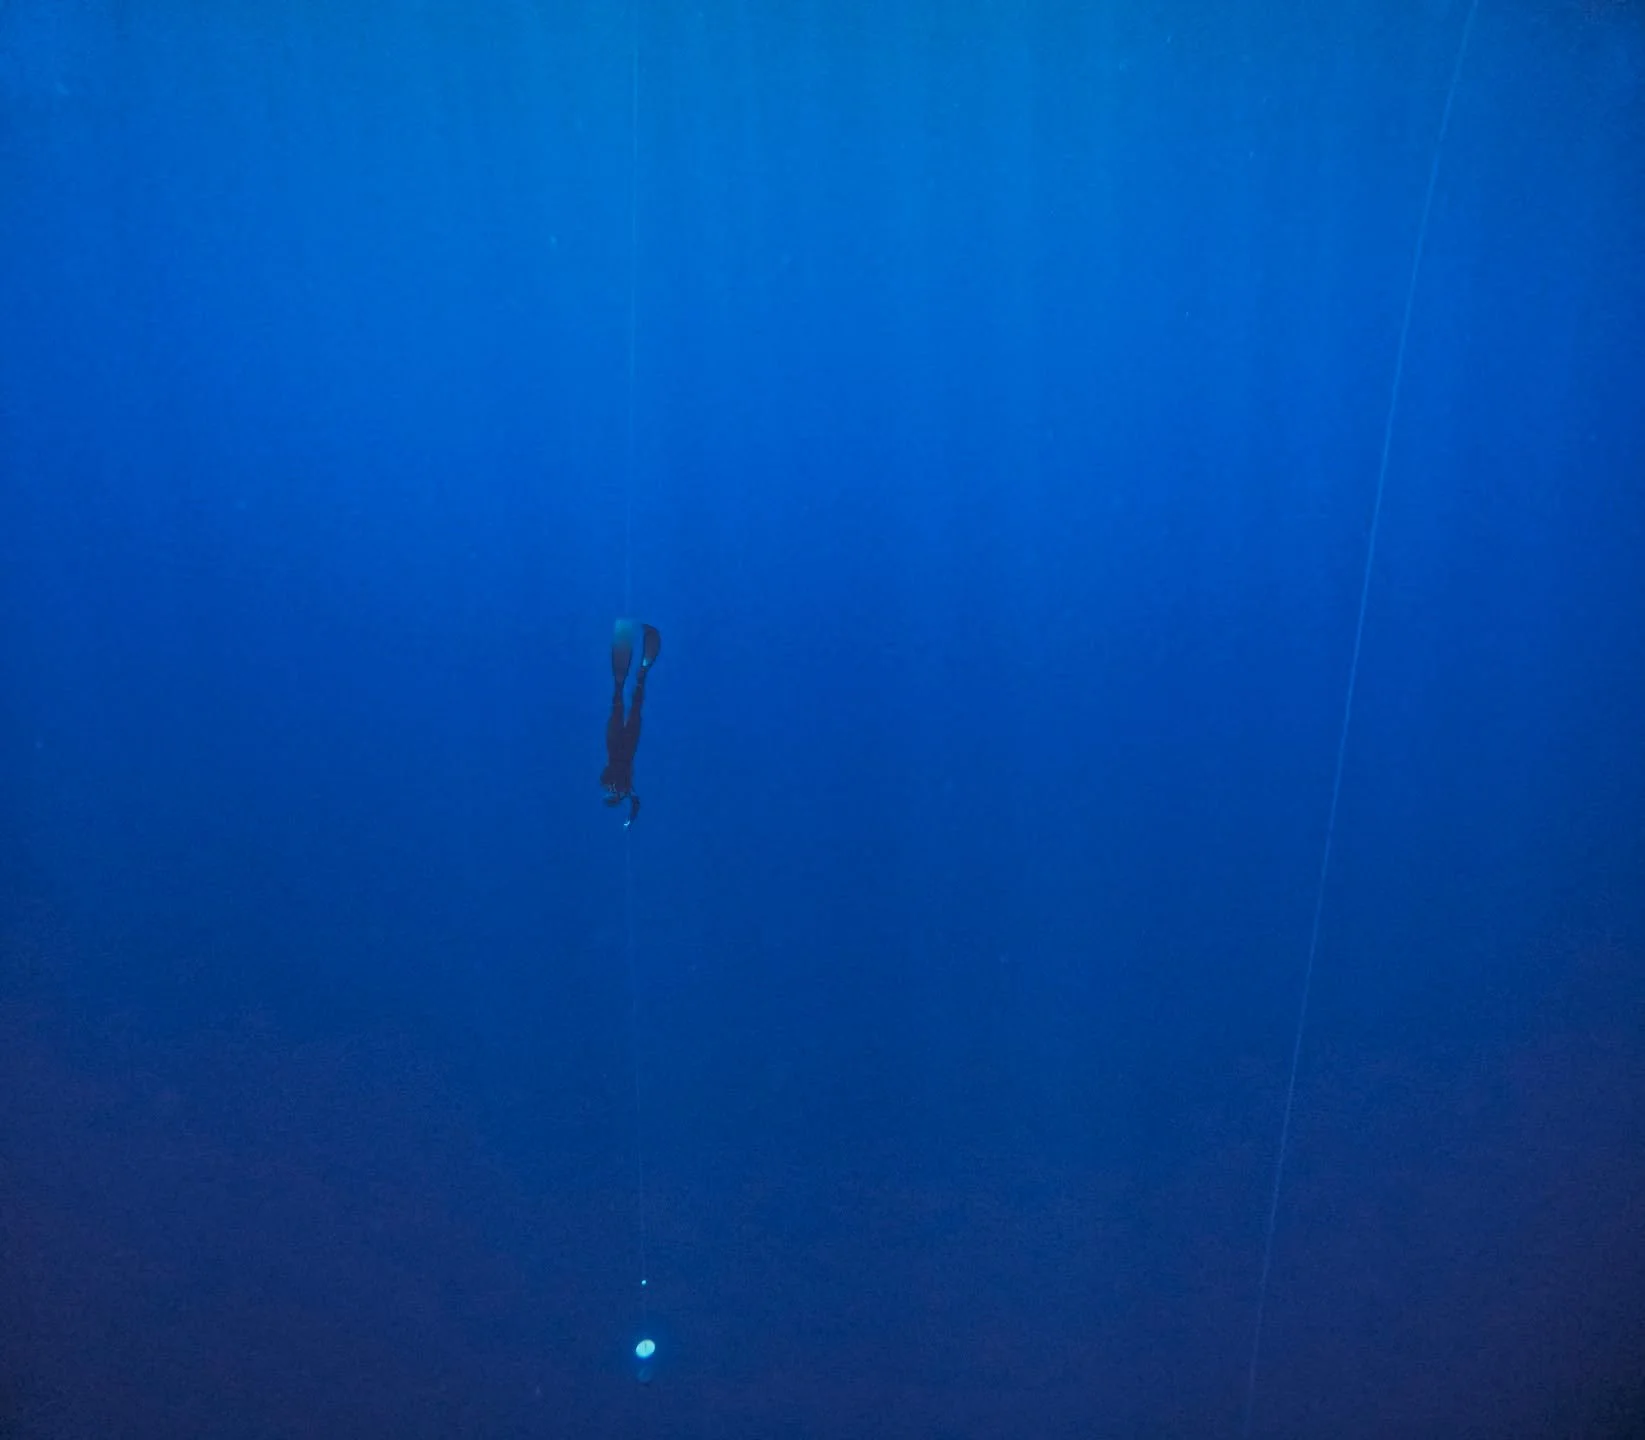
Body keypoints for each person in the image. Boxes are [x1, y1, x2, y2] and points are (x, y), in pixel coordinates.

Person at [601, 619, 660, 826]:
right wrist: (629, 819)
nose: (611, 792)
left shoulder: (611, 784)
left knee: (622, 703)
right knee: (631, 705)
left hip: (617, 743)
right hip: (624, 744)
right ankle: (641, 672)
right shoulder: (625, 788)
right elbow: (635, 802)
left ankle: (638, 674)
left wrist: (629, 818)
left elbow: (634, 801)